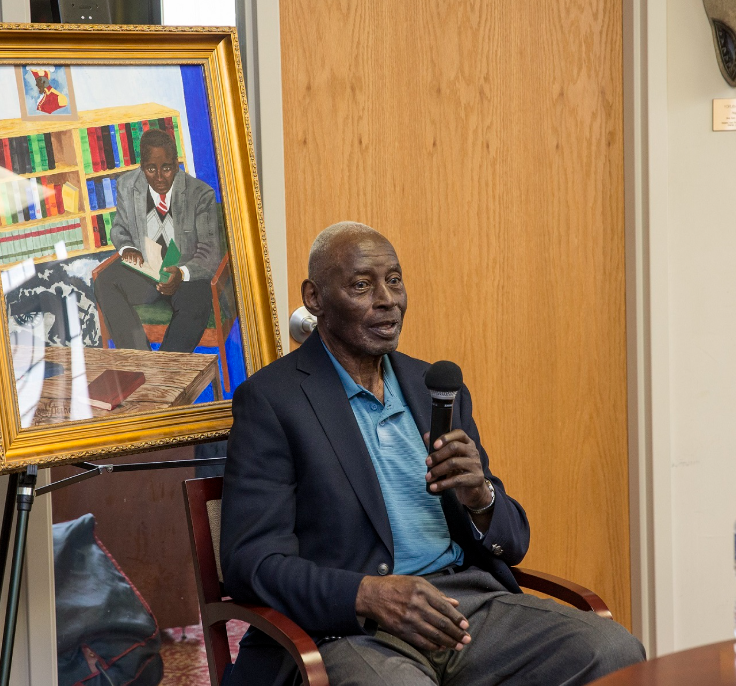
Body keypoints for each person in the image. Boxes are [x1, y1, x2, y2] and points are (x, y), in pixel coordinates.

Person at [220, 222, 644, 686]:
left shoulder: (437, 389)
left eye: (395, 280)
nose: (387, 299)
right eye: (362, 285)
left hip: (467, 607)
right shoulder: (273, 400)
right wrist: (367, 594)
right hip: (354, 629)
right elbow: (251, 563)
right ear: (316, 298)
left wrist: (479, 496)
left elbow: (513, 542)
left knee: (614, 651)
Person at [93, 128, 221, 352]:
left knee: (197, 303)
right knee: (104, 282)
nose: (160, 177)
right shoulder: (127, 186)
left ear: (177, 164)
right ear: (142, 168)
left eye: (167, 168)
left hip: (184, 274)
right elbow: (119, 228)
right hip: (147, 270)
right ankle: (143, 362)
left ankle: (167, 367)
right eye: (151, 169)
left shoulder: (200, 195)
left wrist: (181, 273)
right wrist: (128, 248)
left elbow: (210, 253)